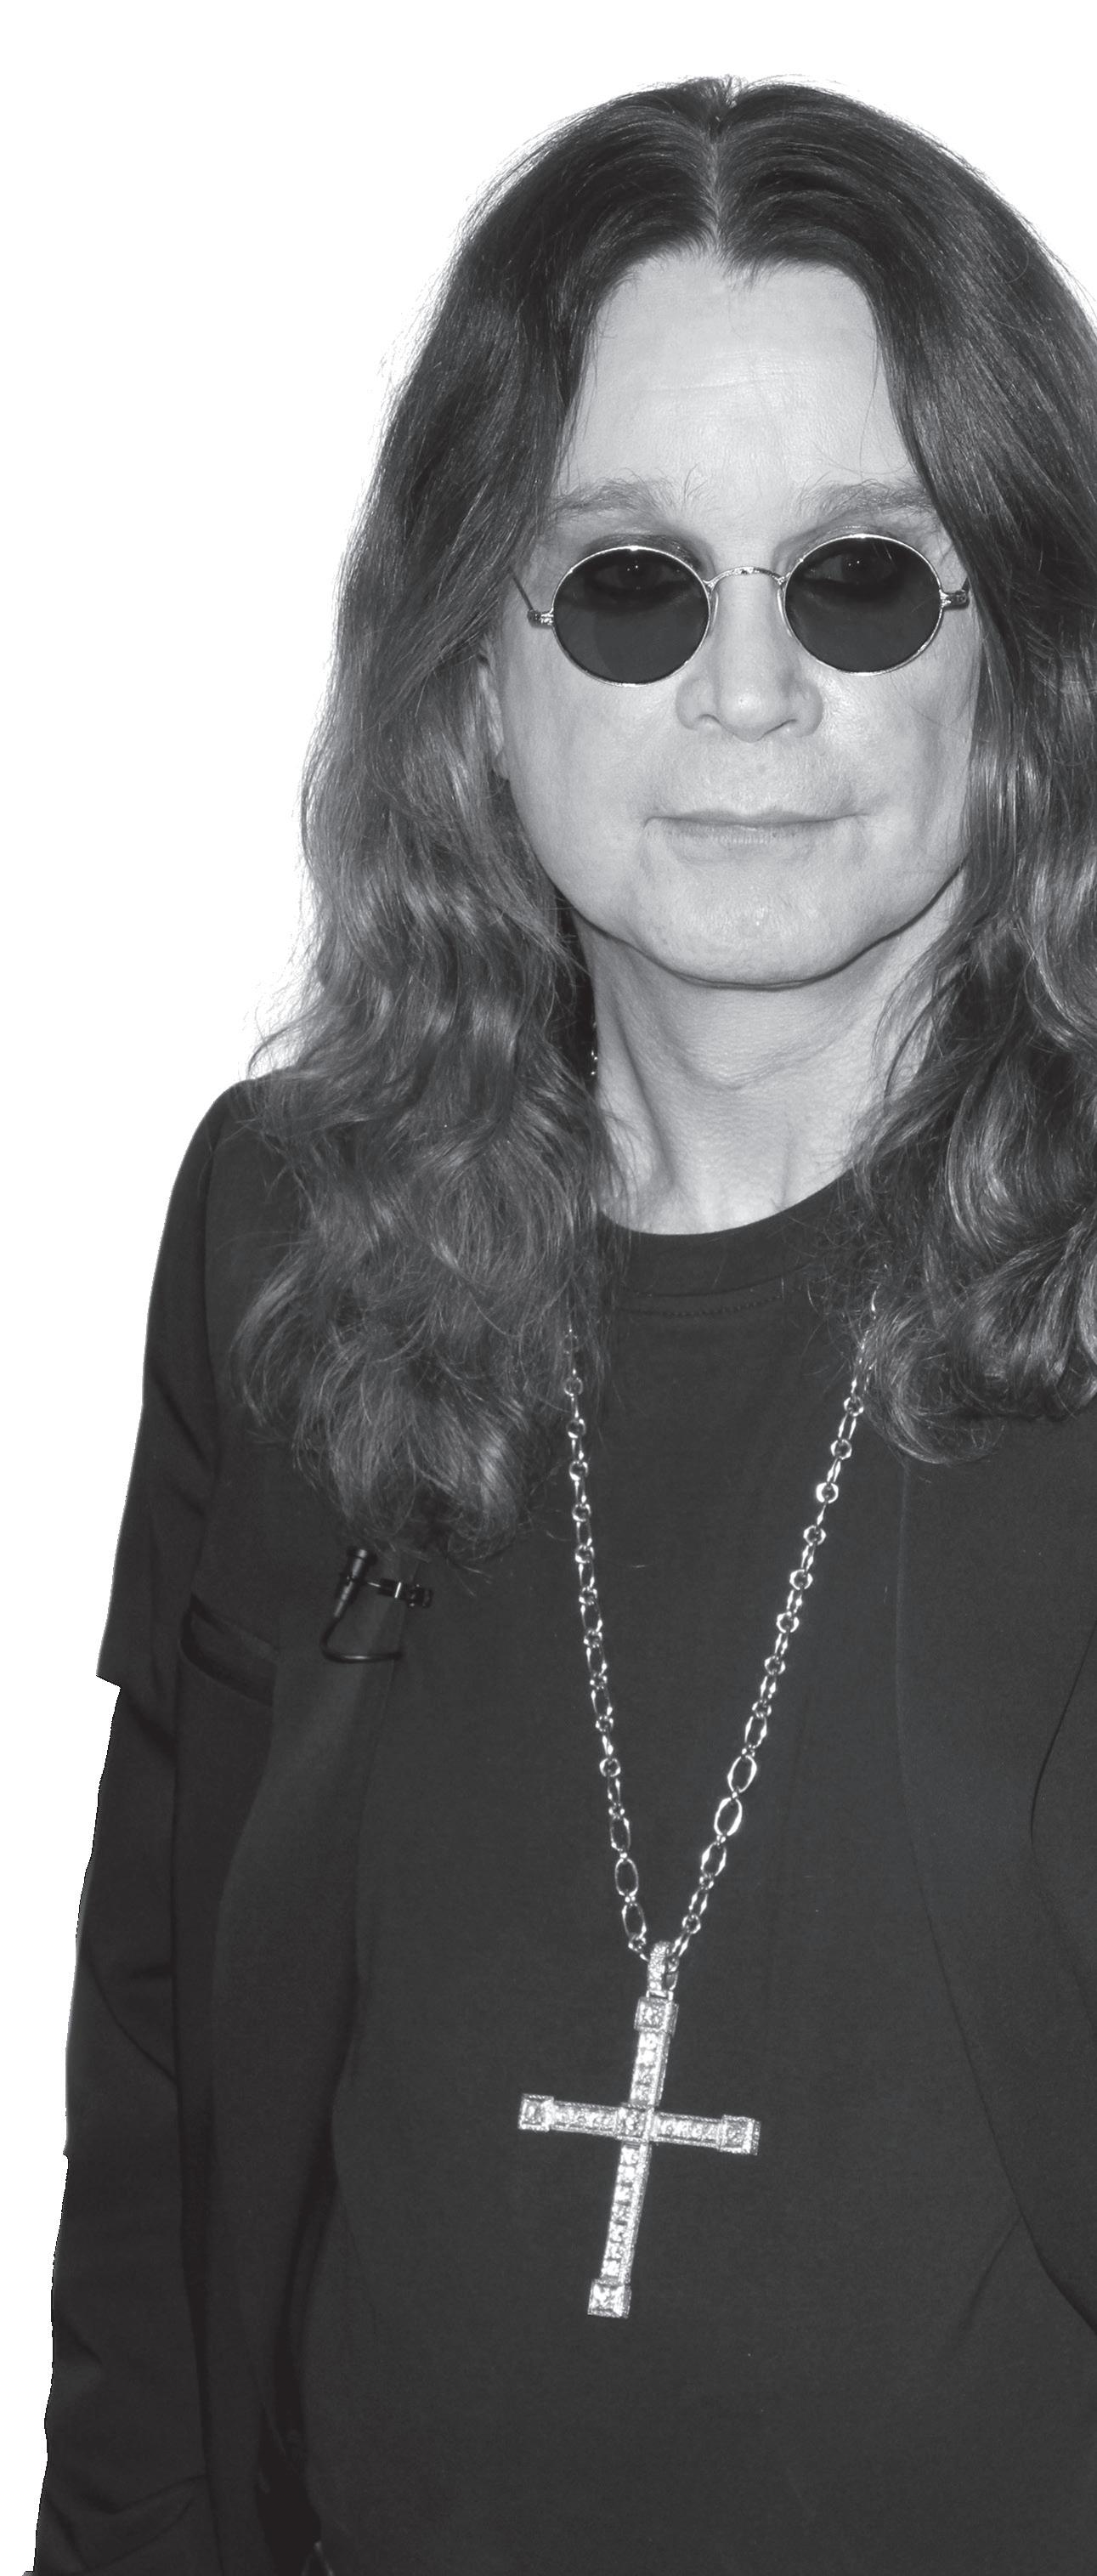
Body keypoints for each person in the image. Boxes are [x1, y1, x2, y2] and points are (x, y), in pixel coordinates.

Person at [33, 70, 1097, 2576]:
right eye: (629, 585)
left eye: (861, 580)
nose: (746, 697)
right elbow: (163, 2091)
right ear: (474, 665)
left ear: (1027, 659)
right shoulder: (283, 1237)